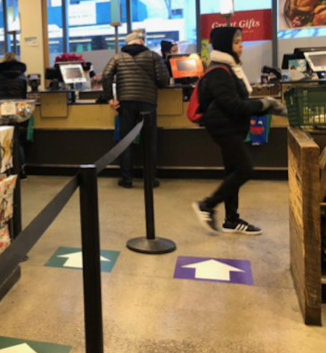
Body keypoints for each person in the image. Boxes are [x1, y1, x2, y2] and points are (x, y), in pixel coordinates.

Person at [192, 27, 286, 235]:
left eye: (241, 41)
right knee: (244, 170)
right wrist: (265, 104)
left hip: (231, 126)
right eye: (236, 42)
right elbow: (234, 105)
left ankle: (231, 220)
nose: (241, 45)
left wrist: (266, 106)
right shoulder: (219, 71)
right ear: (226, 45)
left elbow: (239, 103)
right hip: (224, 128)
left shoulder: (230, 68)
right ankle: (207, 205)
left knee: (233, 171)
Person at [101, 31, 169, 188]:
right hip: (148, 101)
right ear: (141, 42)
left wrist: (110, 98)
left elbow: (106, 76)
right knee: (150, 141)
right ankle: (150, 180)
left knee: (126, 141)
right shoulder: (153, 56)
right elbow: (163, 81)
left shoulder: (117, 57)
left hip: (126, 102)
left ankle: (127, 179)